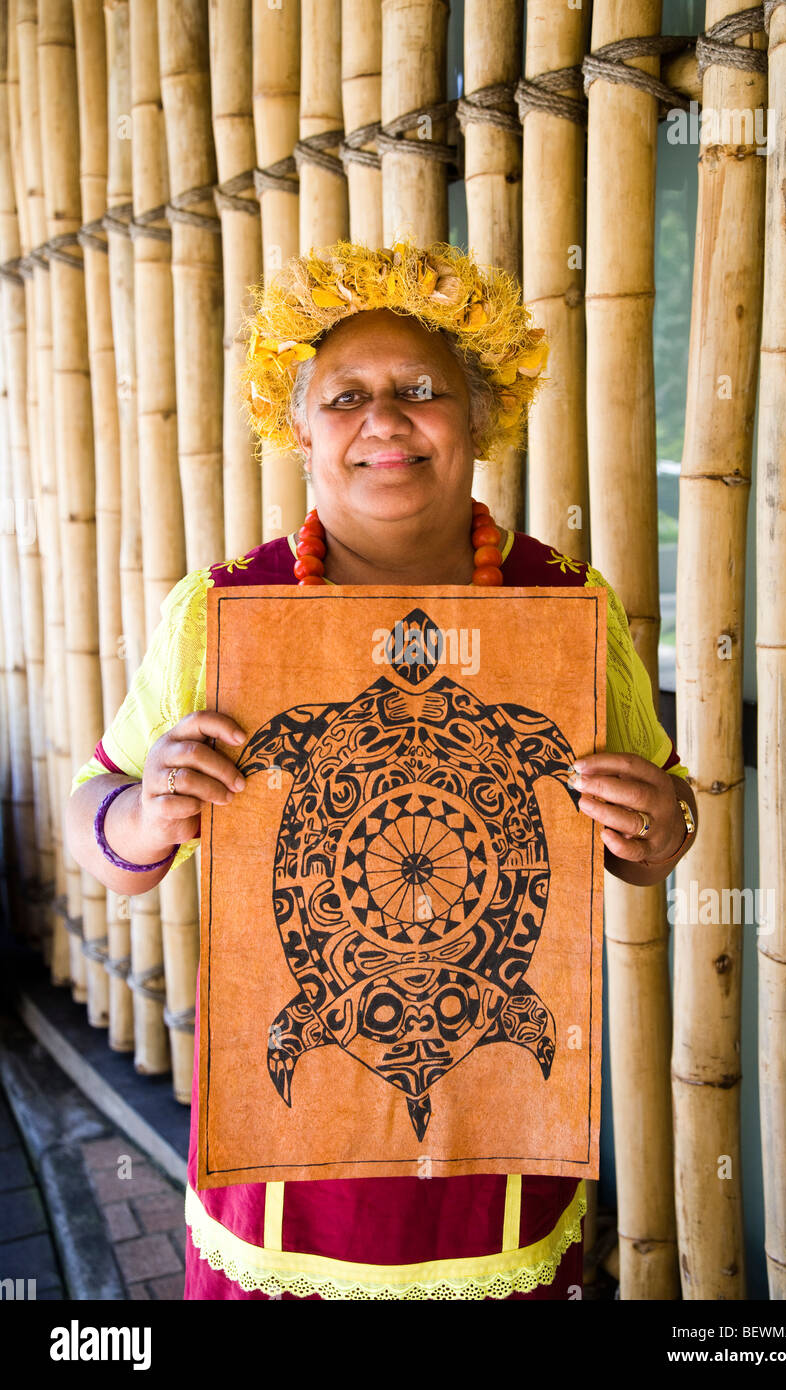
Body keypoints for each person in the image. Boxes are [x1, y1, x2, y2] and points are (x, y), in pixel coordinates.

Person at [66, 239, 698, 1300]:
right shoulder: (220, 612)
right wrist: (144, 813)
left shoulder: (566, 608)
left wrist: (660, 823)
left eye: (421, 391)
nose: (386, 421)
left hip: (499, 1155)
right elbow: (108, 836)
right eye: (347, 396)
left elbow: (654, 834)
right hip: (277, 1178)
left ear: (480, 415)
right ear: (301, 430)